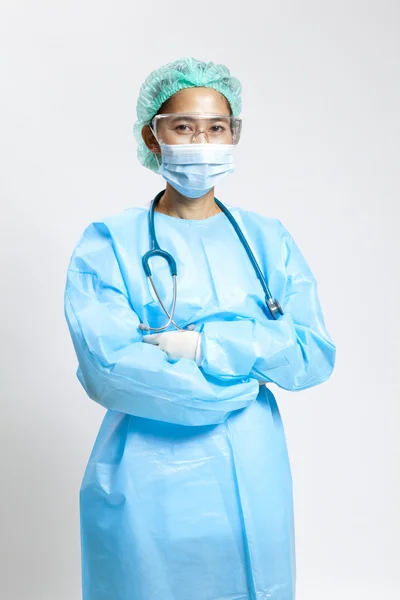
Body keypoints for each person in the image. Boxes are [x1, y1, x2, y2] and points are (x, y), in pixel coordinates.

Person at [64, 57, 336, 600]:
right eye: (183, 126)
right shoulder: (109, 243)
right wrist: (244, 374)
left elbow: (311, 354)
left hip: (252, 469)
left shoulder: (266, 240)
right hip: (146, 473)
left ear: (234, 135)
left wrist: (205, 347)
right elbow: (110, 367)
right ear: (153, 134)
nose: (202, 141)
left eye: (217, 128)